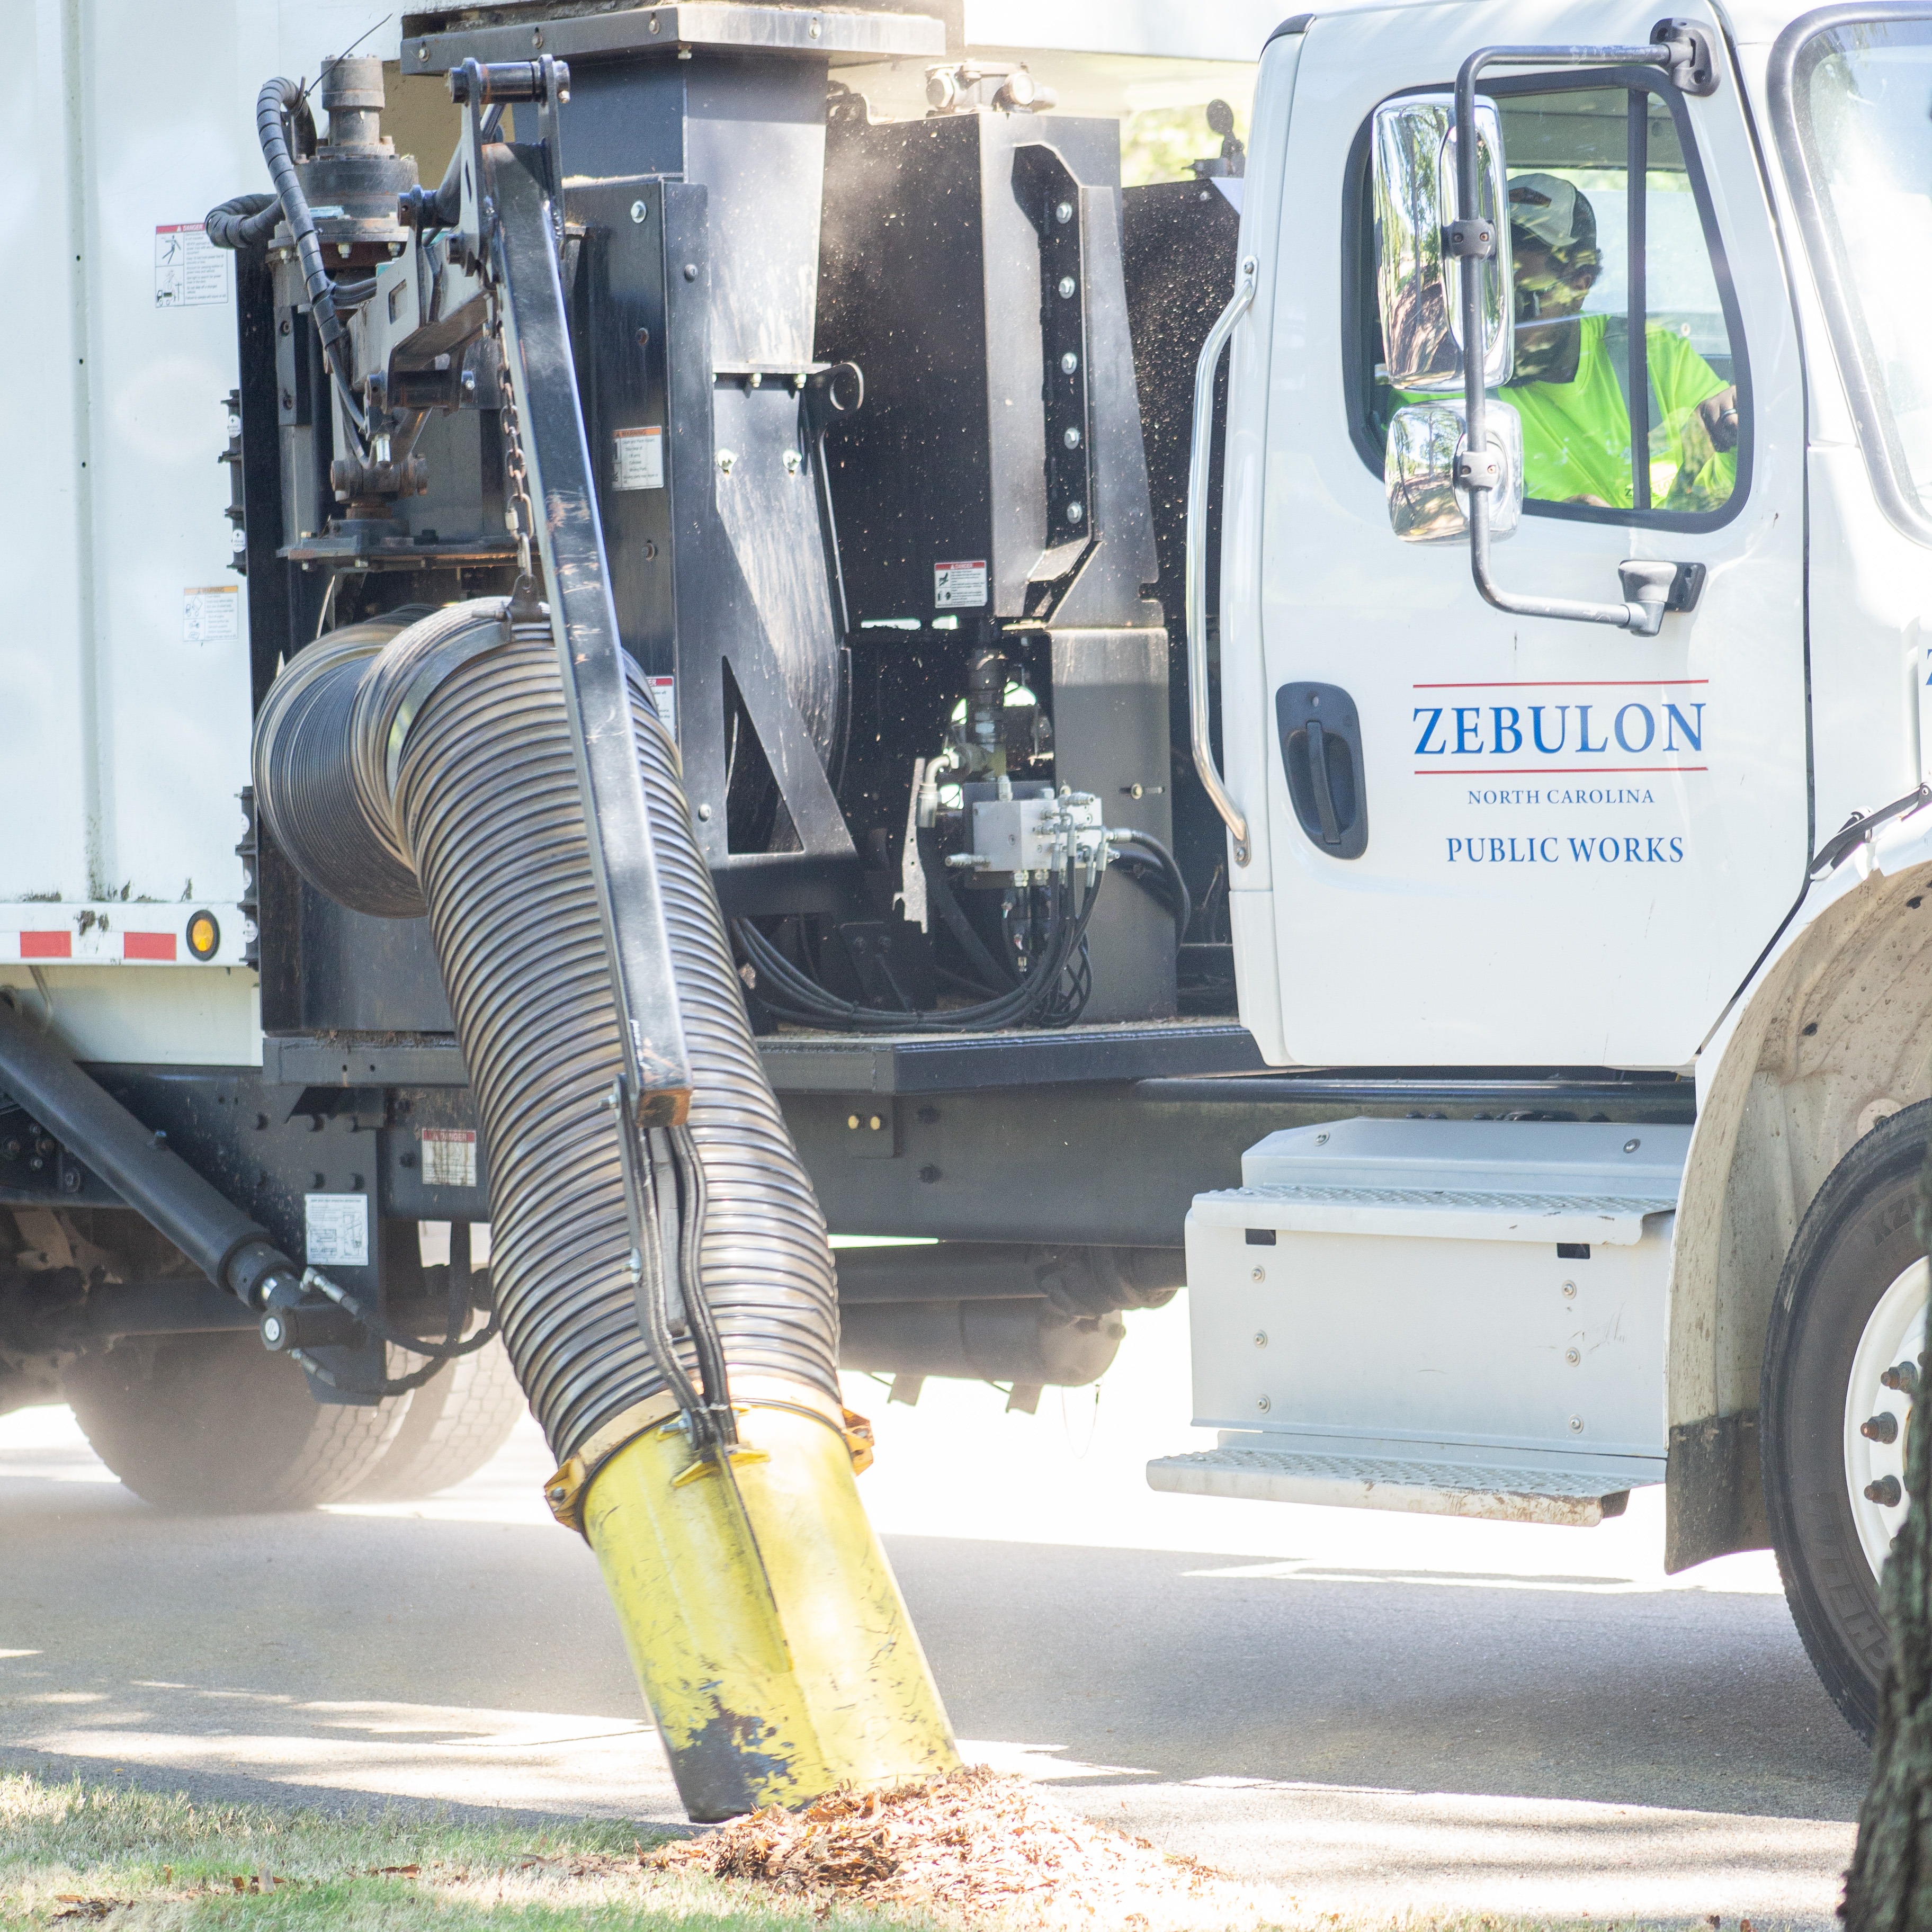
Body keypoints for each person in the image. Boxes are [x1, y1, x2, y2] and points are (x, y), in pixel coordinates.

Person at [1502, 171, 1739, 512]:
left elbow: (1721, 493)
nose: (1499, 324)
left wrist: (1735, 436)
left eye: (1522, 302)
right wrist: (1544, 520)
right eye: (1486, 297)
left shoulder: (1653, 355)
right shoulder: (1447, 386)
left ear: (1579, 288)